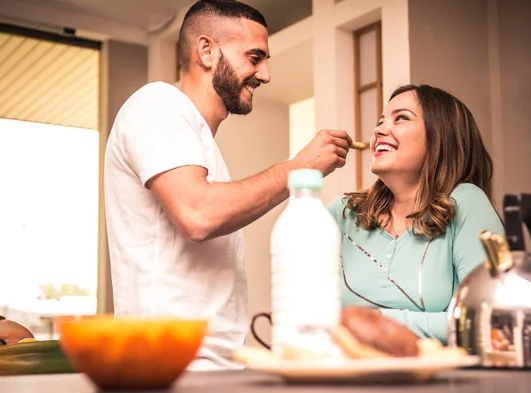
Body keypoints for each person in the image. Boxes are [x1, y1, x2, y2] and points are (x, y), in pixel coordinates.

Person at [104, 0, 352, 370]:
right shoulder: (156, 103)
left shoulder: (199, 142)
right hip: (173, 364)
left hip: (211, 364)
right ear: (206, 50)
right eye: (255, 57)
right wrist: (299, 167)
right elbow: (197, 214)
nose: (265, 74)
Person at [327, 84, 504, 344]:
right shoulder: (343, 212)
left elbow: (483, 320)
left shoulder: (466, 203)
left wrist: (370, 322)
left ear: (441, 136)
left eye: (401, 118)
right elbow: (302, 311)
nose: (378, 130)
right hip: (343, 376)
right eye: (380, 121)